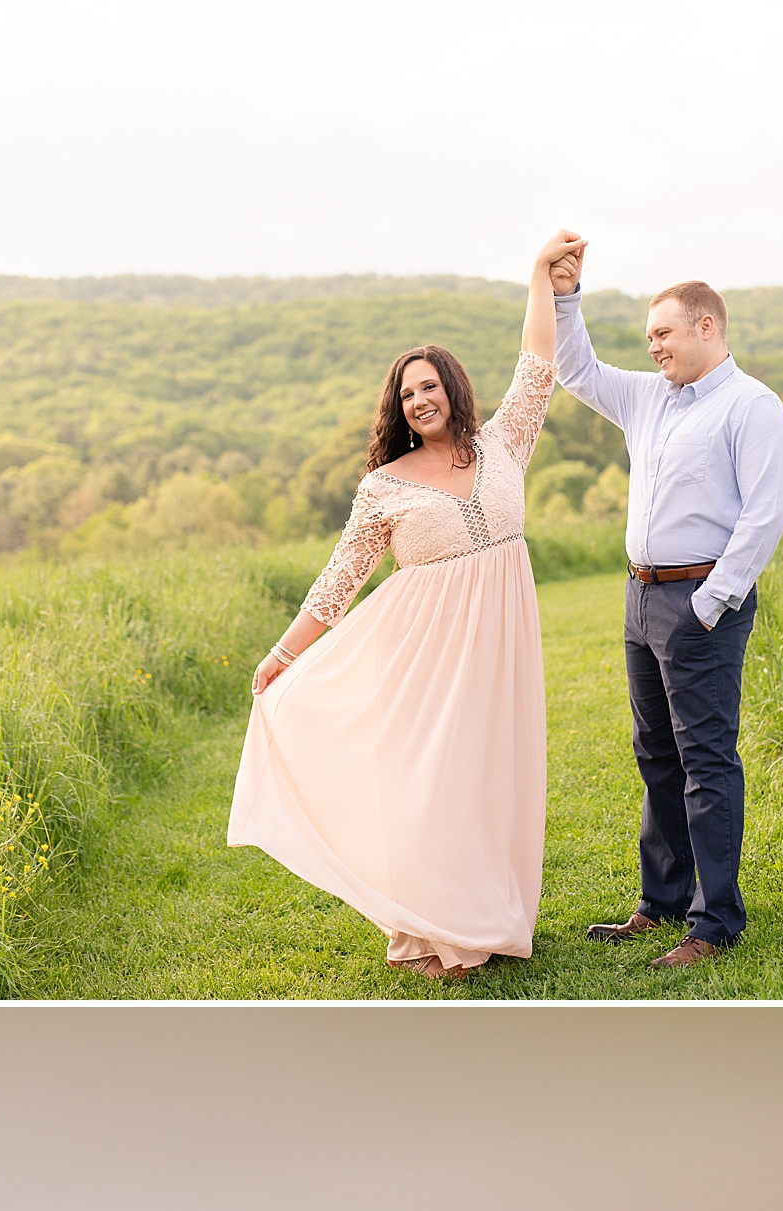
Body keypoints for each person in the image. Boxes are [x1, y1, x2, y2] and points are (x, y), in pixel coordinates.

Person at [226, 237, 581, 980]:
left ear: (453, 387)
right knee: (434, 782)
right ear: (398, 408)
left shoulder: (503, 444)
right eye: (406, 393)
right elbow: (339, 580)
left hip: (500, 645)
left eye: (429, 386)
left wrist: (539, 281)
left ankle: (484, 916)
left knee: (492, 777)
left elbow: (537, 365)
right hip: (422, 653)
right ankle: (434, 931)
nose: (419, 400)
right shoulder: (384, 486)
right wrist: (282, 655)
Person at [548, 236, 783, 967]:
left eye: (662, 332)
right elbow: (576, 370)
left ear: (706, 326)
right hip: (641, 599)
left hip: (701, 601)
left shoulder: (753, 407)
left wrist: (711, 604)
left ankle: (714, 923)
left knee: (706, 760)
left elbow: (767, 513)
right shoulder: (647, 398)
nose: (652, 346)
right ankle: (660, 905)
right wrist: (566, 295)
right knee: (655, 752)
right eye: (649, 336)